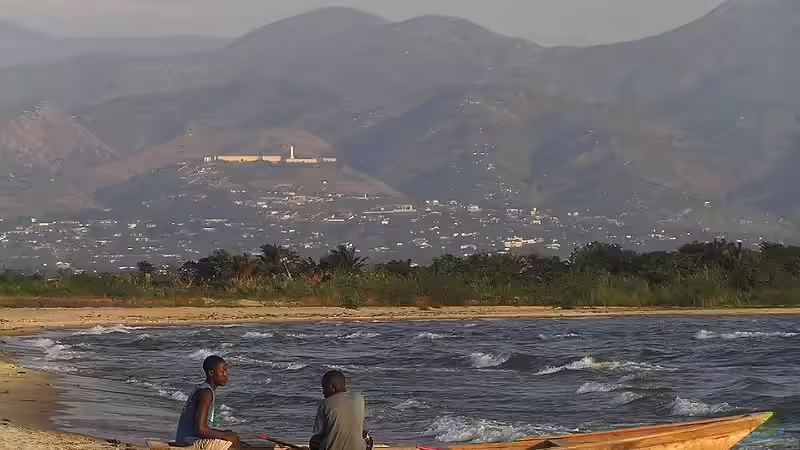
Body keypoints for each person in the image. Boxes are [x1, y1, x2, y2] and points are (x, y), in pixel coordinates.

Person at [174, 355, 240, 450]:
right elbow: (200, 430)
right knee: (236, 445)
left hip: (184, 439)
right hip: (189, 442)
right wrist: (224, 435)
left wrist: (223, 433)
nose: (226, 375)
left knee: (234, 439)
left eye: (226, 371)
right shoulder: (206, 393)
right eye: (222, 371)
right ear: (211, 373)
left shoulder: (203, 389)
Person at [310, 370, 371, 450]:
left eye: (324, 388)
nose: (323, 392)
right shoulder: (359, 397)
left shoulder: (325, 403)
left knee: (314, 440)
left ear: (333, 387)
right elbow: (363, 427)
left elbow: (318, 432)